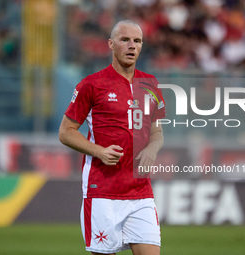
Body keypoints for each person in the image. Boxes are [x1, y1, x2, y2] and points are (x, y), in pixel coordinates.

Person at [59, 20, 166, 255]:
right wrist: (99, 151)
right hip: (103, 192)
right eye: (124, 40)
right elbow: (65, 132)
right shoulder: (92, 85)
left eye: (137, 41)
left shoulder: (149, 84)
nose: (132, 46)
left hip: (140, 192)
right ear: (110, 44)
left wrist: (152, 149)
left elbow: (157, 132)